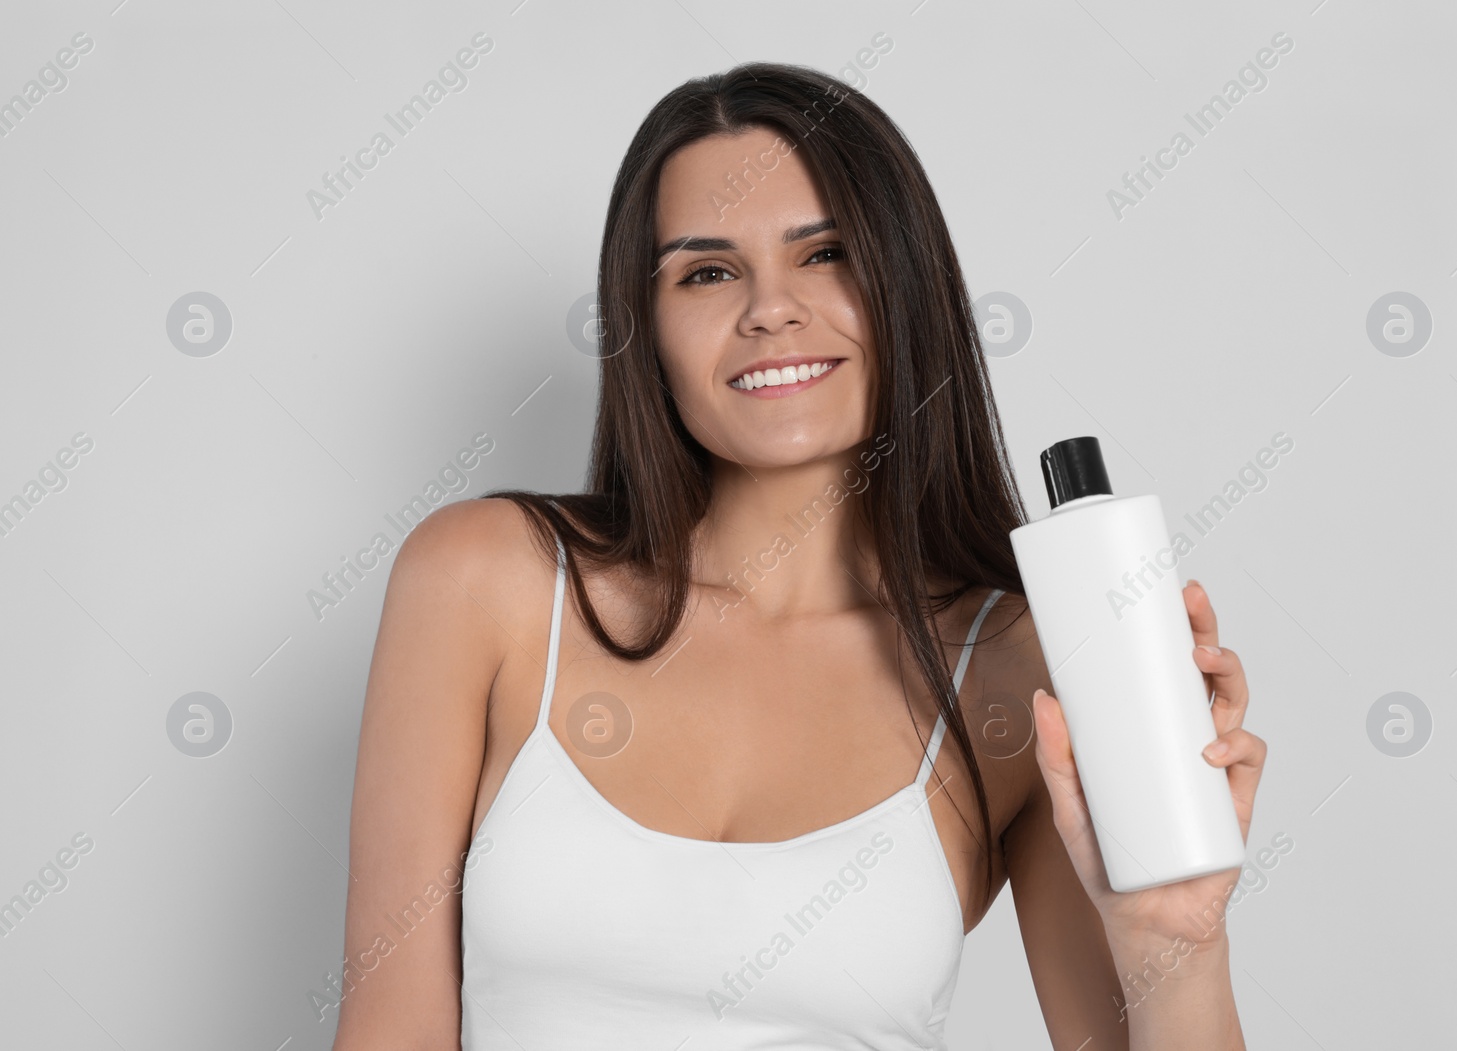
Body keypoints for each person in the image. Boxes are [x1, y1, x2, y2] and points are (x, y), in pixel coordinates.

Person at [331, 61, 1265, 1051]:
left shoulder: (1015, 668)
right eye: (707, 270)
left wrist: (1179, 935)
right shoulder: (487, 580)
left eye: (824, 254)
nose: (770, 309)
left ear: (906, 287)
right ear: (646, 329)